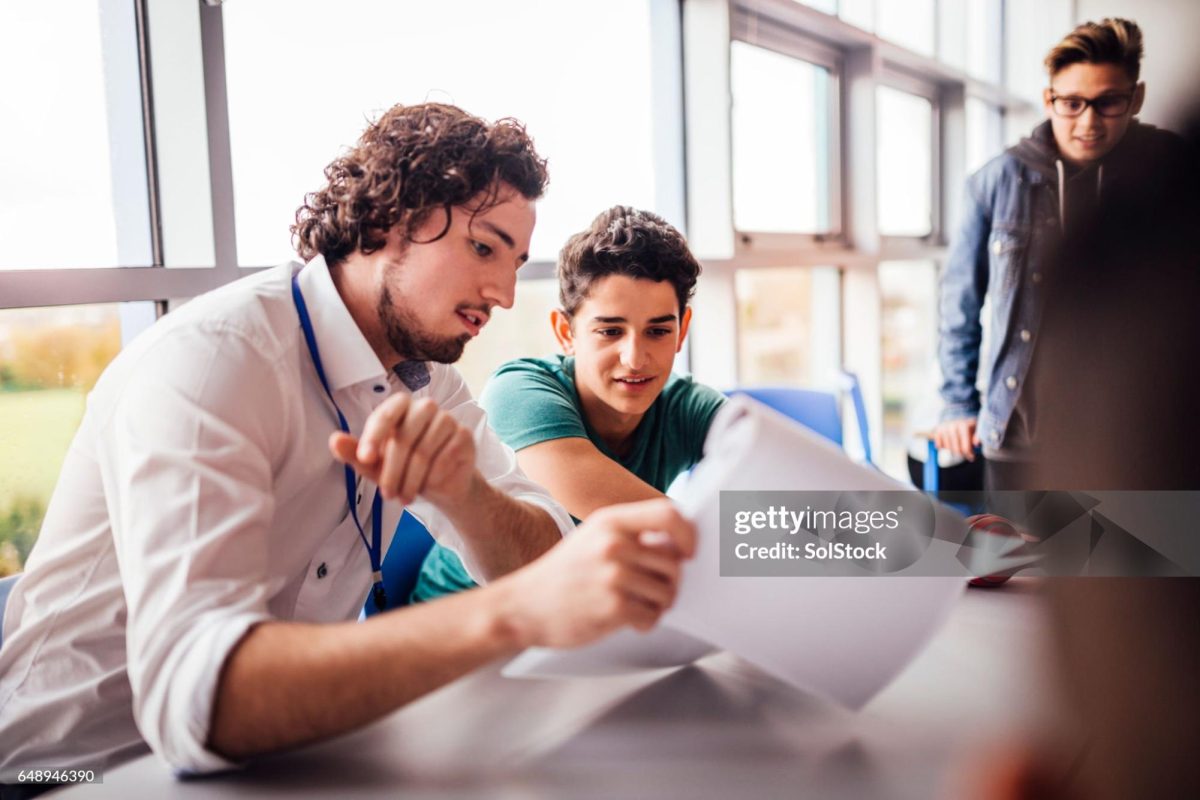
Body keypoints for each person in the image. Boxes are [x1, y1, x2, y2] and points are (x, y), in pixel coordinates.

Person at [0, 104, 694, 789]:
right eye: (484, 248)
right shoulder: (218, 361)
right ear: (387, 220)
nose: (505, 293)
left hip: (279, 758)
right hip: (73, 772)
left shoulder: (425, 381)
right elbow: (198, 698)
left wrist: (467, 496)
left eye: (515, 262)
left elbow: (546, 551)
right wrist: (513, 612)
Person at [414, 205, 725, 601]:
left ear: (682, 332)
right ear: (566, 332)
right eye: (610, 331)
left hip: (583, 617)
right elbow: (678, 532)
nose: (635, 358)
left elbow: (799, 506)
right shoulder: (519, 392)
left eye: (658, 331)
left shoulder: (685, 405)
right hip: (465, 626)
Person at [933, 17, 1183, 490]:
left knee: (1142, 563)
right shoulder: (997, 180)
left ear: (1136, 98)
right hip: (1019, 439)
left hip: (1140, 442)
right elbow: (959, 304)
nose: (1089, 122)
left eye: (1109, 102)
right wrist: (957, 403)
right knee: (1025, 565)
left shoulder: (1172, 172)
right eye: (1071, 104)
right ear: (1049, 100)